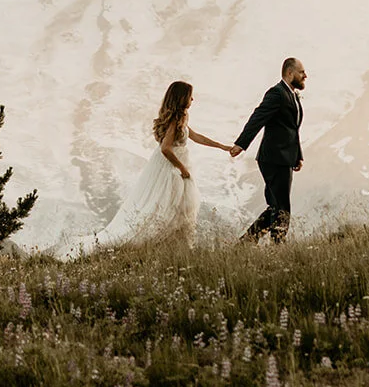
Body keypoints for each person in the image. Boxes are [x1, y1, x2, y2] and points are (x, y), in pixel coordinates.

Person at [88, 80, 241, 251]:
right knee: (168, 205)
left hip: (173, 164)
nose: (193, 100)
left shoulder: (181, 116)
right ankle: (156, 245)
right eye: (190, 97)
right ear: (182, 98)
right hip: (171, 167)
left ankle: (173, 247)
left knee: (175, 206)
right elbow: (166, 148)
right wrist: (182, 168)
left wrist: (221, 146)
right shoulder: (177, 118)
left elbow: (195, 136)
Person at [234, 57, 306, 243]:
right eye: (301, 72)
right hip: (273, 158)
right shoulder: (277, 93)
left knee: (275, 205)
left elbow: (292, 129)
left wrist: (297, 156)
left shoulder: (291, 95)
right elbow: (258, 117)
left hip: (284, 158)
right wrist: (241, 144)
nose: (305, 75)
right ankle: (278, 245)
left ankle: (246, 242)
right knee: (282, 206)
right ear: (289, 73)